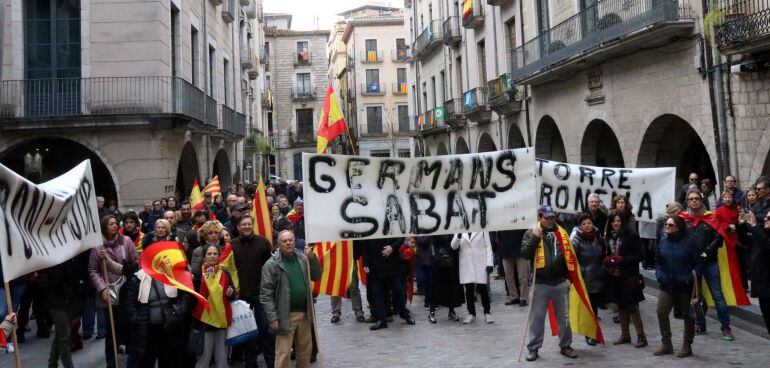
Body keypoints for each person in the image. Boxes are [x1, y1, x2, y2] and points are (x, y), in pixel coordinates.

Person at [520, 205, 578, 361]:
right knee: (536, 319)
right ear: (540, 217)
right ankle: (533, 348)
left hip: (560, 282)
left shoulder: (562, 233)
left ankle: (565, 345)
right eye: (547, 217)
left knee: (564, 318)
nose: (551, 220)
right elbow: (525, 254)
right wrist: (534, 237)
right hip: (540, 283)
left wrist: (568, 278)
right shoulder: (531, 232)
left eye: (553, 217)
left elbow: (569, 257)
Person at [260, 230, 322, 368]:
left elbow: (317, 275)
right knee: (284, 354)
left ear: (295, 241)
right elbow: (266, 294)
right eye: (284, 241)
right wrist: (272, 318)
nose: (288, 243)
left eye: (290, 240)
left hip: (305, 314)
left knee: (305, 353)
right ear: (279, 244)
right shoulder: (271, 264)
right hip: (285, 315)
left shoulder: (303, 258)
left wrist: (312, 258)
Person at [679, 188, 732, 339]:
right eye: (691, 199)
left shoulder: (711, 218)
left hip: (709, 262)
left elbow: (718, 238)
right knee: (696, 295)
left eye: (697, 198)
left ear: (702, 201)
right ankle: (700, 324)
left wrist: (706, 252)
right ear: (687, 202)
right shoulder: (683, 219)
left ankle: (726, 327)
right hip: (693, 264)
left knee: (718, 295)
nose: (694, 201)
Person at [122, 257, 192, 367]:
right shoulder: (138, 278)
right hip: (146, 329)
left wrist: (180, 310)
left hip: (168, 328)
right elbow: (129, 303)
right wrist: (136, 319)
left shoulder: (173, 275)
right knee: (147, 361)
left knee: (168, 361)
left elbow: (185, 294)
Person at [88, 215, 139, 368]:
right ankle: (111, 361)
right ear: (104, 226)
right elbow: (92, 269)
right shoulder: (97, 247)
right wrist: (102, 287)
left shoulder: (127, 242)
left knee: (127, 323)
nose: (114, 226)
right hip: (108, 291)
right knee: (111, 329)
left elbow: (135, 262)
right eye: (110, 224)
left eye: (116, 223)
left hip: (126, 290)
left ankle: (129, 356)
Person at [230, 216, 275, 368]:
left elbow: (271, 267)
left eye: (249, 224)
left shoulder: (263, 242)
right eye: (243, 224)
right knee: (248, 332)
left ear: (253, 225)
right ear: (238, 227)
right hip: (242, 296)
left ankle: (272, 363)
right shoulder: (232, 245)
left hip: (262, 294)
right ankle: (251, 363)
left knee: (266, 330)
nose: (247, 227)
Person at [654, 215, 698, 357]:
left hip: (685, 285)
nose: (666, 227)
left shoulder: (690, 242)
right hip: (667, 284)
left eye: (670, 225)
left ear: (678, 227)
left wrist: (689, 277)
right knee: (661, 312)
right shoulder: (662, 241)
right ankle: (666, 343)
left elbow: (698, 263)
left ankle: (687, 344)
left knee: (688, 315)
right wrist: (659, 275)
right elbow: (658, 261)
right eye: (666, 224)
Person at [604, 210, 647, 347]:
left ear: (622, 222)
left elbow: (640, 256)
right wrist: (607, 259)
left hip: (629, 276)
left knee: (632, 307)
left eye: (618, 221)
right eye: (613, 221)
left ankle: (641, 336)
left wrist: (622, 259)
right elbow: (607, 253)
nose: (616, 223)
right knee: (621, 306)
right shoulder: (608, 237)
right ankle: (625, 335)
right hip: (615, 276)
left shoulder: (631, 236)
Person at [191, 245, 236, 368]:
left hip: (221, 319)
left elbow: (232, 297)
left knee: (222, 356)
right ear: (205, 256)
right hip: (204, 320)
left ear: (218, 256)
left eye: (215, 254)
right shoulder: (198, 274)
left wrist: (231, 294)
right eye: (209, 254)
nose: (212, 256)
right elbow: (192, 295)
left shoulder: (225, 273)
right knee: (204, 356)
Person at [362, 237, 416, 330]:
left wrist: (392, 247)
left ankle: (404, 314)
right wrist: (365, 264)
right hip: (375, 266)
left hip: (392, 265)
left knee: (399, 292)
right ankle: (381, 320)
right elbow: (365, 246)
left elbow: (400, 237)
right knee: (377, 294)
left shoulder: (392, 222)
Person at [571, 213, 608, 346]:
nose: (587, 226)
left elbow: (604, 253)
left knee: (595, 307)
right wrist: (581, 271)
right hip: (585, 279)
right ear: (580, 226)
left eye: (589, 223)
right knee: (589, 308)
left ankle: (595, 332)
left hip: (598, 277)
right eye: (584, 224)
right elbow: (572, 259)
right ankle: (589, 334)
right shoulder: (576, 240)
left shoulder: (599, 238)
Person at [47, 252, 89, 368]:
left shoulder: (73, 256)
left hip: (70, 300)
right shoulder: (55, 258)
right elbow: (56, 279)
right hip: (58, 301)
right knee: (64, 336)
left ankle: (52, 364)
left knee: (61, 334)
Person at [737, 210, 770, 335]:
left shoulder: (761, 233)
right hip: (761, 286)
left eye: (769, 218)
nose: (766, 219)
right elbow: (745, 242)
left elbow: (767, 245)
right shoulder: (762, 232)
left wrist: (755, 227)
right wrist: (741, 225)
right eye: (766, 217)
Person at [451, 232, 494, 324]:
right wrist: (458, 237)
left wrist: (489, 262)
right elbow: (453, 246)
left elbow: (488, 246)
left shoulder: (482, 229)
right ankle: (471, 313)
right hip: (466, 263)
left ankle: (487, 312)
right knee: (469, 289)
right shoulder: (460, 229)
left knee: (482, 288)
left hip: (480, 262)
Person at [427, 234, 464, 323]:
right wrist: (436, 257)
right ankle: (431, 312)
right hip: (438, 260)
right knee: (435, 287)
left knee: (451, 286)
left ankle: (451, 311)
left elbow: (457, 245)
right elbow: (432, 242)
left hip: (452, 260)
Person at [330, 240, 365, 324]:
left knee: (354, 286)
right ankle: (336, 312)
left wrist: (356, 254)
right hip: (336, 258)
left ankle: (358, 311)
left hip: (351, 258)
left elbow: (357, 242)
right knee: (336, 286)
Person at [496, 229, 529, 307]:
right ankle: (514, 297)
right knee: (508, 277)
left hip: (520, 247)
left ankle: (523, 298)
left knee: (522, 276)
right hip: (505, 248)